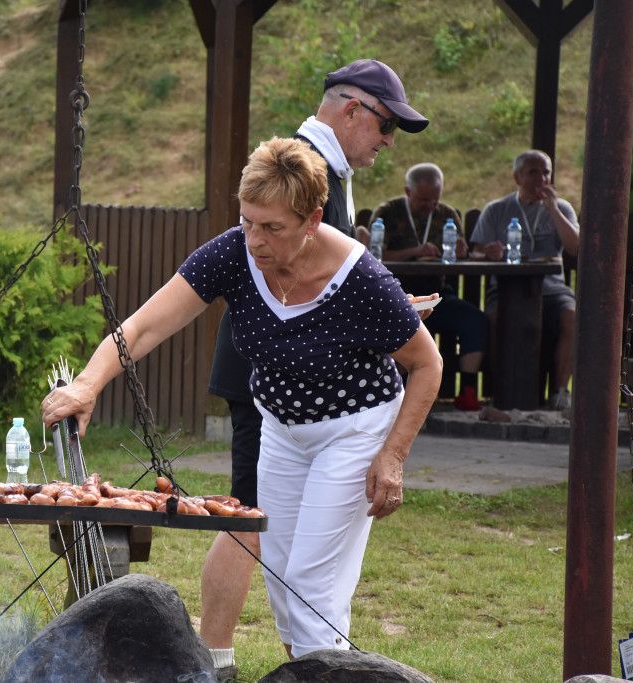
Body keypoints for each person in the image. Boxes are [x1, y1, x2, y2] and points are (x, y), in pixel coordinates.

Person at [42, 137, 442, 662]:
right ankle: (316, 669)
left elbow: (427, 364)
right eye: (248, 220)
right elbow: (140, 329)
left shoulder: (361, 279)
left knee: (311, 582)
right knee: (280, 574)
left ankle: (327, 672)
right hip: (280, 428)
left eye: (272, 227)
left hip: (354, 429)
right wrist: (88, 384)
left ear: (313, 219)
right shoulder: (233, 252)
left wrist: (392, 456)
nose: (255, 239)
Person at [200, 58, 430, 677]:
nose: (388, 142)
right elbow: (274, 275)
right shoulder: (305, 167)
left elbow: (329, 287)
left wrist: (384, 307)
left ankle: (292, 662)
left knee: (295, 564)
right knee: (252, 522)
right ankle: (217, 658)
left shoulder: (334, 168)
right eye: (386, 126)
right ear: (352, 110)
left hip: (329, 399)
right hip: (273, 384)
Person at [370, 163, 488, 411]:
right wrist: (414, 252)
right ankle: (394, 396)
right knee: (393, 327)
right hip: (397, 295)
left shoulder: (446, 214)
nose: (430, 205)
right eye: (424, 200)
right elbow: (374, 256)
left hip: (437, 296)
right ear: (407, 192)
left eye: (435, 199)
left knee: (475, 321)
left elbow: (457, 254)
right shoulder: (387, 213)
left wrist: (460, 253)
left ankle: (467, 390)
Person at [469, 149, 580, 411]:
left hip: (551, 289)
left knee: (572, 317)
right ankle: (500, 389)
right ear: (517, 177)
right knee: (494, 320)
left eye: (546, 172)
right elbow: (474, 251)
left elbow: (576, 248)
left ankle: (560, 392)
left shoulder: (561, 208)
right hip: (507, 289)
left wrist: (552, 208)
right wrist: (489, 252)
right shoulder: (497, 209)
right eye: (534, 172)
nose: (542, 178)